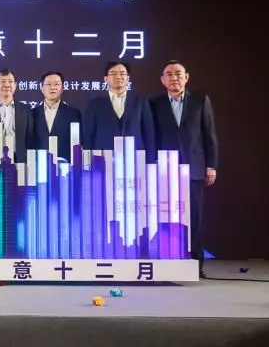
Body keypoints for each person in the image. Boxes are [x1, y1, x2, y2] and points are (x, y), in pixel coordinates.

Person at [150, 60, 219, 276]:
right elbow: (152, 136)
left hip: (194, 168)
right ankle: (169, 263)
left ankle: (196, 266)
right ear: (162, 80)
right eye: (169, 74)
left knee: (194, 218)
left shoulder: (200, 100)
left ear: (186, 77)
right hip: (165, 169)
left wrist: (211, 165)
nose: (174, 78)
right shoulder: (154, 103)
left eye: (178, 74)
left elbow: (209, 134)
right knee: (166, 218)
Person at [81, 60, 155, 152]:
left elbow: (149, 134)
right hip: (103, 156)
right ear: (106, 79)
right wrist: (88, 158)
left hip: (135, 155)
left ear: (128, 78)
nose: (118, 76)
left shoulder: (141, 102)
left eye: (122, 73)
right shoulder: (95, 104)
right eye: (113, 73)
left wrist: (150, 158)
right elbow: (89, 135)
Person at [0, 68, 34, 163]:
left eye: (10, 81)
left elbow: (30, 138)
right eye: (3, 81)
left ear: (15, 85)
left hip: (19, 162)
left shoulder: (26, 110)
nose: (7, 85)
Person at [30, 71, 82, 159]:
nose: (53, 87)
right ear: (42, 88)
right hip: (38, 162)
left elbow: (78, 142)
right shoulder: (32, 114)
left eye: (56, 84)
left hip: (65, 163)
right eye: (48, 84)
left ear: (62, 89)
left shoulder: (74, 114)